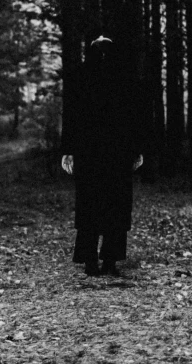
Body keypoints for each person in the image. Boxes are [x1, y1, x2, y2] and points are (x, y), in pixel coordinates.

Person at [61, 35, 143, 277]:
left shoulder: (81, 75)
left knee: (91, 205)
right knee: (113, 205)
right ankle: (108, 260)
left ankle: (90, 260)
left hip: (92, 152)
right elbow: (134, 116)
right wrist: (136, 148)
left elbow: (71, 115)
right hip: (116, 152)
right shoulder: (124, 77)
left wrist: (68, 149)